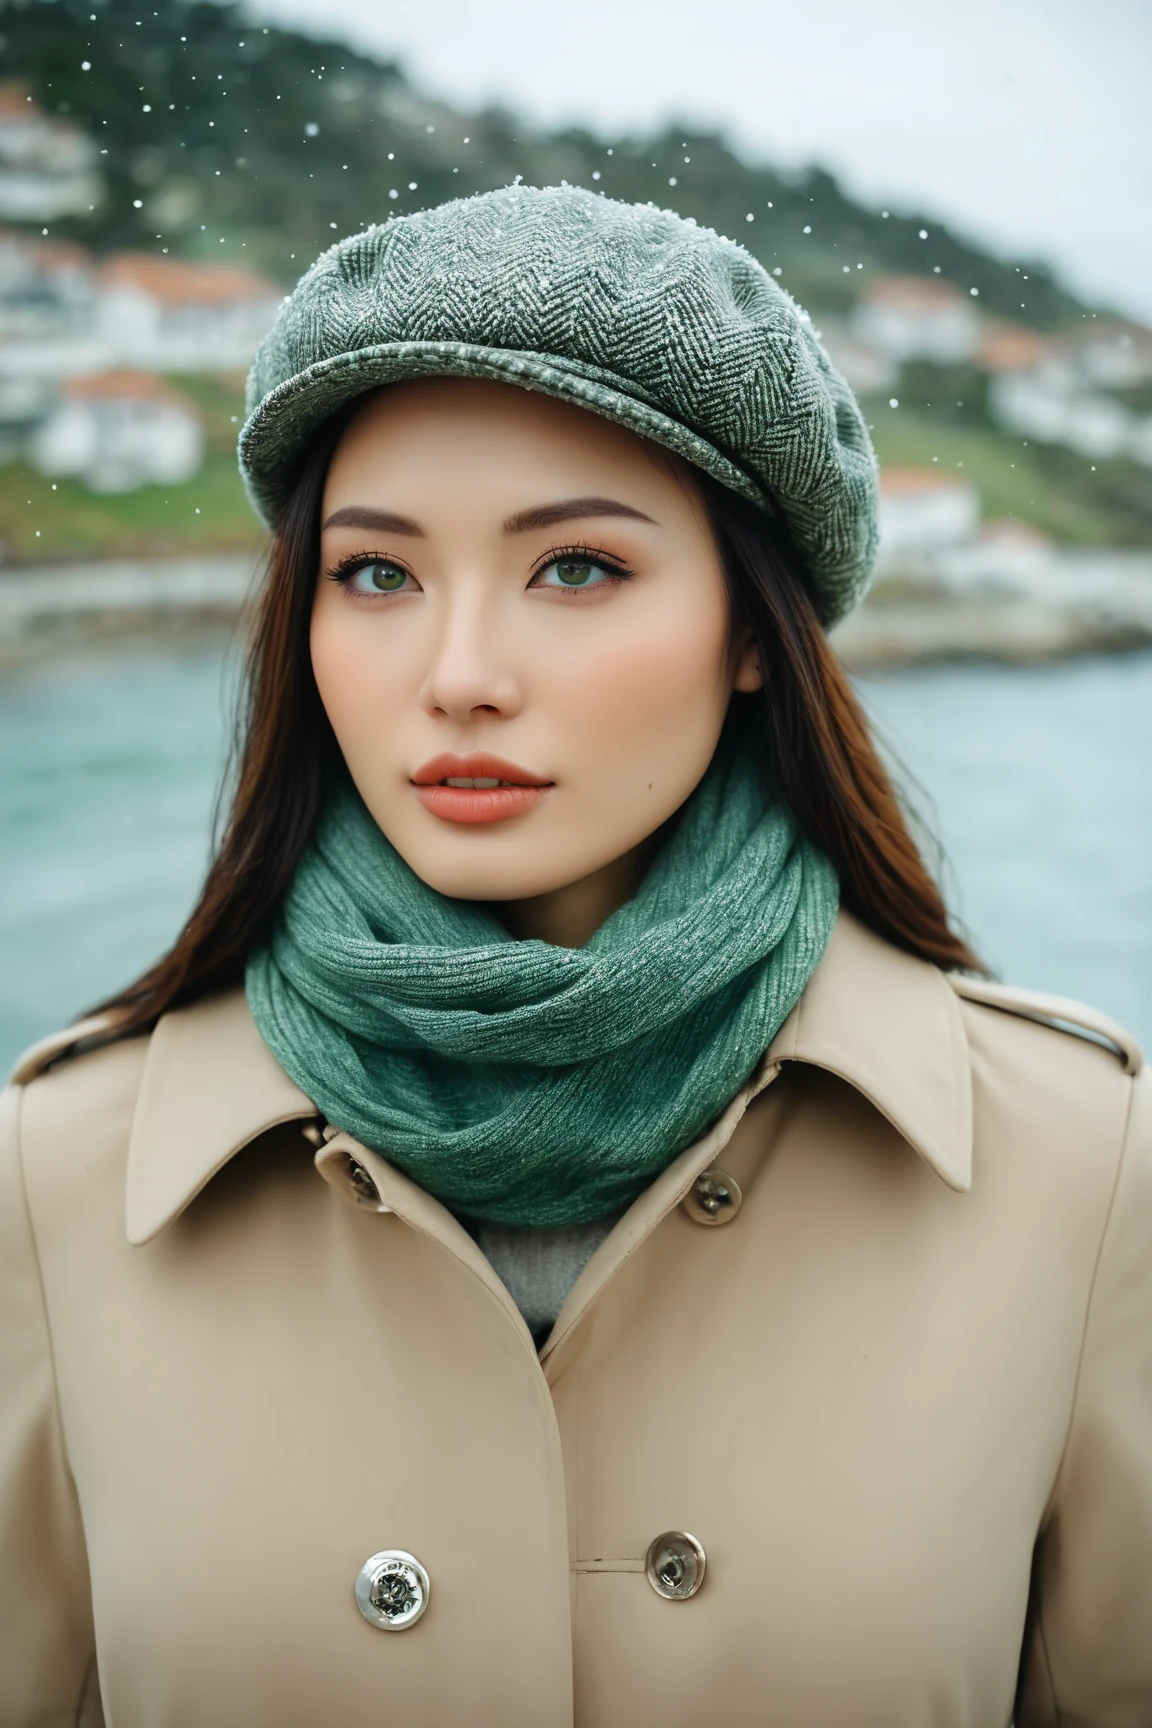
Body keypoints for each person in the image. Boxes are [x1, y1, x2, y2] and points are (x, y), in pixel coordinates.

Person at [1, 186, 1148, 1728]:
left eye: (576, 569)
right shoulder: (56, 1178)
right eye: (378, 574)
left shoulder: (1083, 1177)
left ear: (757, 628)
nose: (458, 677)